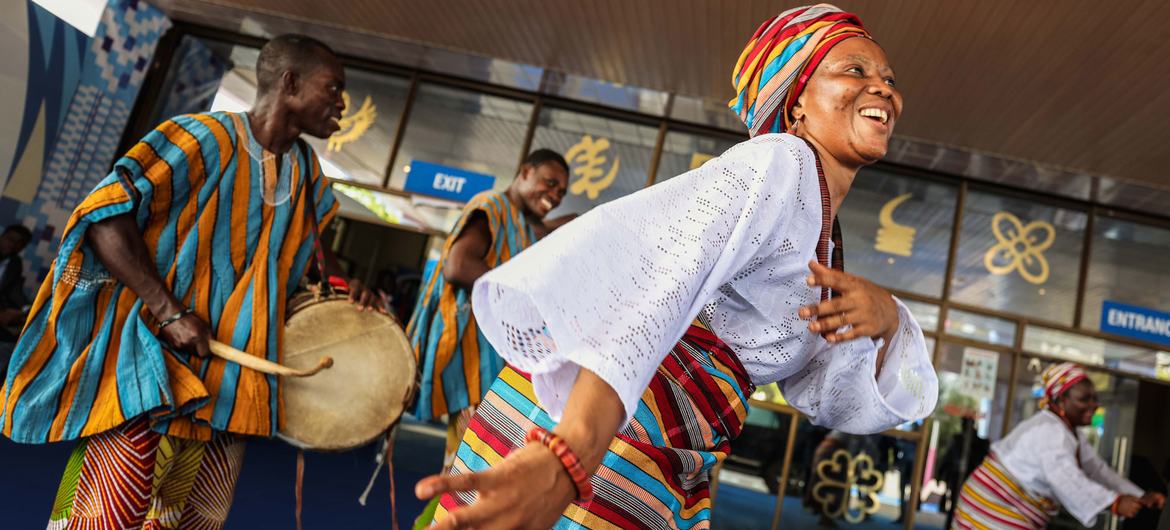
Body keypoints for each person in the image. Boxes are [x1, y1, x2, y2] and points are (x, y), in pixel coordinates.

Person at [416, 5, 939, 529]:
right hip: (608, 428)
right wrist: (566, 457)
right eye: (856, 70)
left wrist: (888, 318)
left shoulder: (821, 237)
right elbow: (654, 282)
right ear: (797, 101)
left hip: (660, 449)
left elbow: (828, 392)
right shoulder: (780, 163)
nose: (883, 89)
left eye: (889, 79)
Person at [0, 34, 379, 529]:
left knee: (189, 522)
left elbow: (296, 271)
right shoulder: (201, 138)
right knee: (106, 519)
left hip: (231, 393)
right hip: (156, 378)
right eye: (333, 88)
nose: (341, 104)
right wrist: (169, 311)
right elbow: (103, 219)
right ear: (289, 83)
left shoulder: (307, 174)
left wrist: (348, 294)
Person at [409, 148, 569, 471]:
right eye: (549, 183)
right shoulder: (493, 205)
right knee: (469, 464)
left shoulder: (522, 224)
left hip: (491, 362)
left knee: (477, 462)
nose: (555, 195)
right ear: (525, 172)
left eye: (562, 192)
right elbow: (458, 265)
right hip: (473, 364)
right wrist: (522, 301)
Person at [952, 363, 1167, 529]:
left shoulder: (1067, 431)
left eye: (1094, 398)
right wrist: (1114, 503)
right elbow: (1065, 477)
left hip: (1008, 507)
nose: (1094, 404)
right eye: (1085, 399)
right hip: (995, 506)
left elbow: (1098, 470)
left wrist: (1139, 497)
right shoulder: (1050, 431)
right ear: (1061, 402)